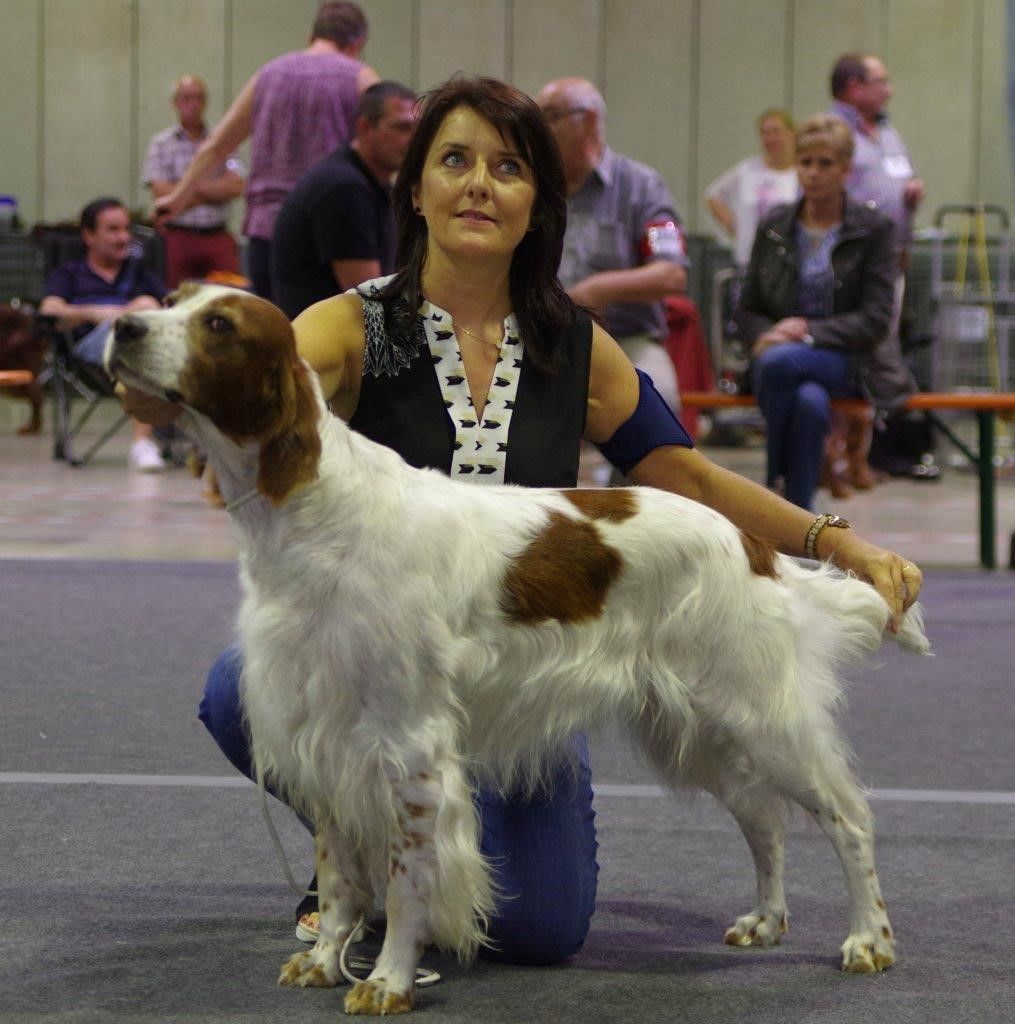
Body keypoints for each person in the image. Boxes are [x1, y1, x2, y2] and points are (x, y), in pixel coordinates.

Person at [120, 78, 923, 963]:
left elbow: (682, 472)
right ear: (415, 189)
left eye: (507, 168)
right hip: (381, 663)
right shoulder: (354, 325)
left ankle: (413, 846)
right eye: (452, 160)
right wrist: (163, 378)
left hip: (525, 680)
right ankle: (363, 857)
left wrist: (834, 543)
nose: (477, 184)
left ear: (536, 202)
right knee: (247, 685)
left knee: (537, 931)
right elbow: (257, 371)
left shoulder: (570, 340)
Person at [734, 114, 914, 510]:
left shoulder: (875, 228)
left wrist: (803, 333)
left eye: (825, 164)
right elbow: (747, 307)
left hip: (849, 361)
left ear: (846, 169)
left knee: (779, 362)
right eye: (806, 163)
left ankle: (772, 493)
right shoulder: (775, 224)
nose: (813, 173)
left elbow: (876, 319)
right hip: (780, 358)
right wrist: (769, 333)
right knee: (808, 403)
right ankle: (800, 516)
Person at [154, 1, 380, 300]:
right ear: (358, 43)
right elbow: (391, 143)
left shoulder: (268, 75)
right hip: (334, 235)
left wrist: (177, 198)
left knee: (275, 336)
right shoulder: (361, 77)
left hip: (267, 232)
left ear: (310, 36)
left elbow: (217, 146)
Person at [535, 77, 688, 419]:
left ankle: (633, 477)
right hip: (544, 338)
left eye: (550, 116)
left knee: (659, 399)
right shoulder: (532, 187)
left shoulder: (642, 187)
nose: (538, 128)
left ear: (588, 120)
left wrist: (594, 290)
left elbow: (672, 274)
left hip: (626, 341)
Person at [830, 52, 928, 480]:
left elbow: (895, 178)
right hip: (850, 264)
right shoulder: (833, 133)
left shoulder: (887, 133)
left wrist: (909, 194)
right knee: (862, 351)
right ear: (853, 86)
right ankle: (847, 455)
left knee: (883, 347)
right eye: (880, 81)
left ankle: (866, 454)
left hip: (891, 259)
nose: (888, 89)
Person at [41, 197, 168, 472]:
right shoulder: (70, 273)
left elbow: (169, 308)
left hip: (143, 348)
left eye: (126, 229)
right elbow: (50, 310)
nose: (124, 238)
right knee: (144, 313)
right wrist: (99, 313)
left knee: (147, 329)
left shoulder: (140, 273)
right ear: (88, 235)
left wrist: (120, 314)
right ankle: (142, 443)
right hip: (90, 350)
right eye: (113, 230)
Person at [271, 80, 416, 320]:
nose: (413, 140)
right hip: (322, 346)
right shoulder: (345, 189)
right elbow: (371, 300)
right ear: (364, 127)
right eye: (401, 128)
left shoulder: (369, 184)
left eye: (416, 129)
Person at [142, 74, 245, 287]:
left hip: (217, 235)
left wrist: (182, 193)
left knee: (229, 298)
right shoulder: (160, 143)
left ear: (205, 102)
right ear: (175, 103)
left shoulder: (223, 140)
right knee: (178, 300)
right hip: (178, 237)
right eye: (186, 98)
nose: (193, 103)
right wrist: (214, 191)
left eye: (198, 98)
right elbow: (161, 193)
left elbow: (236, 185)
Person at [705, 109, 799, 270]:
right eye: (765, 133)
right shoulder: (747, 170)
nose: (771, 138)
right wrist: (735, 227)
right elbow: (713, 195)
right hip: (749, 262)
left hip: (789, 263)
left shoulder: (800, 173)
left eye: (776, 132)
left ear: (792, 133)